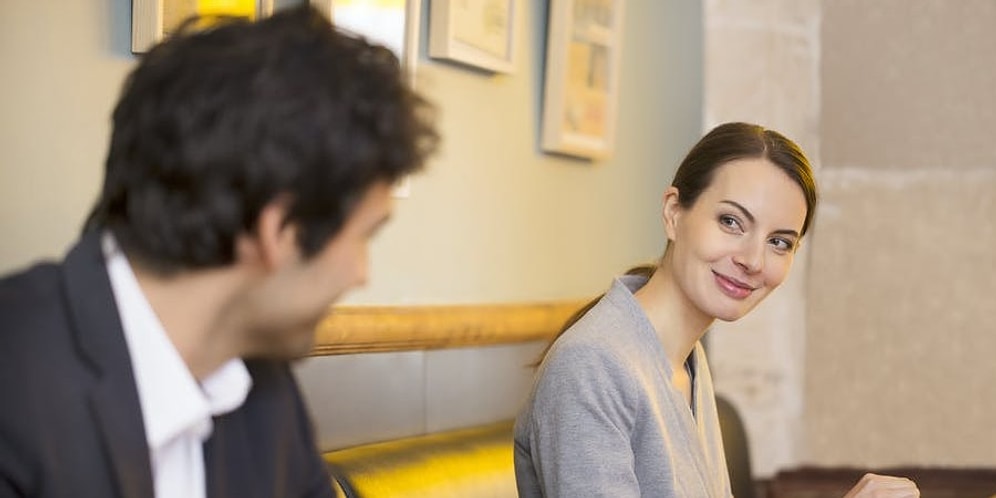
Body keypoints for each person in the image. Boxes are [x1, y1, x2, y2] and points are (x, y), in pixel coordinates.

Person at [0, 6, 437, 498]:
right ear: (280, 230)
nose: (362, 274)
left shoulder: (261, 387)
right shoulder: (16, 386)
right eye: (364, 237)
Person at [513, 123, 919, 498]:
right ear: (674, 212)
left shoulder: (685, 359)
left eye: (780, 242)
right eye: (731, 221)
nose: (753, 260)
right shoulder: (592, 367)